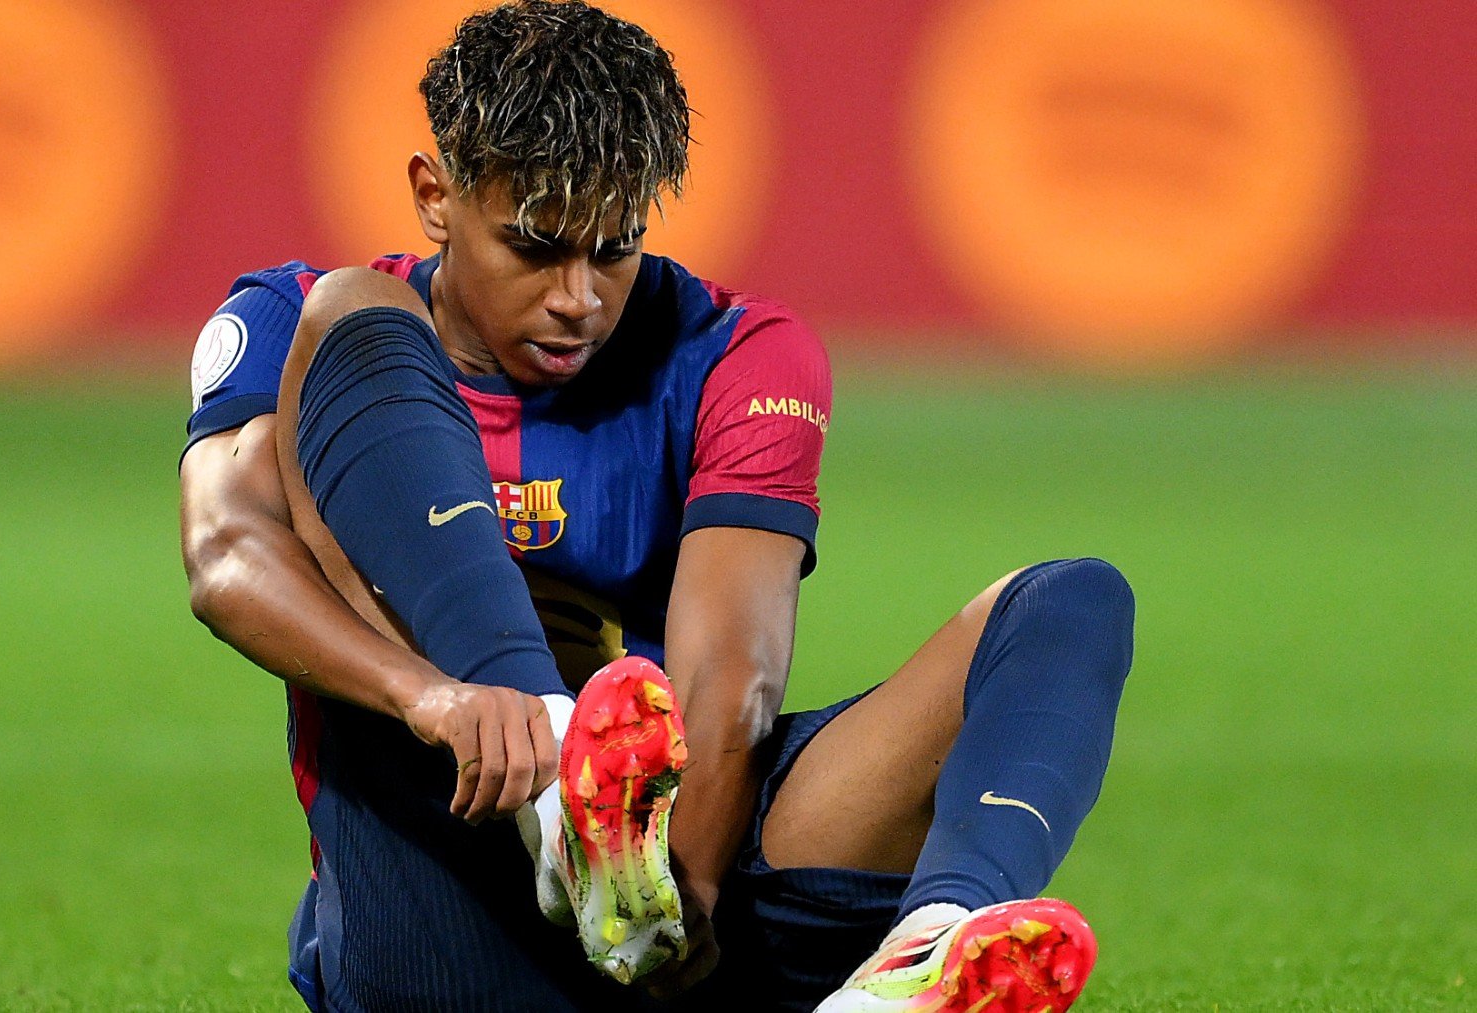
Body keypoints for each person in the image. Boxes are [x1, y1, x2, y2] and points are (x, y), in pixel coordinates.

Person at [178, 3, 1134, 1011]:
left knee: (1069, 604)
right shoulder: (294, 322)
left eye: (614, 248)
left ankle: (925, 942)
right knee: (351, 310)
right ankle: (558, 809)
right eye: (538, 247)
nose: (579, 297)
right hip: (447, 866)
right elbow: (228, 560)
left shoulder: (732, 348)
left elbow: (731, 673)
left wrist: (687, 895)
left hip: (672, 875)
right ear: (435, 194)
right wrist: (432, 698)